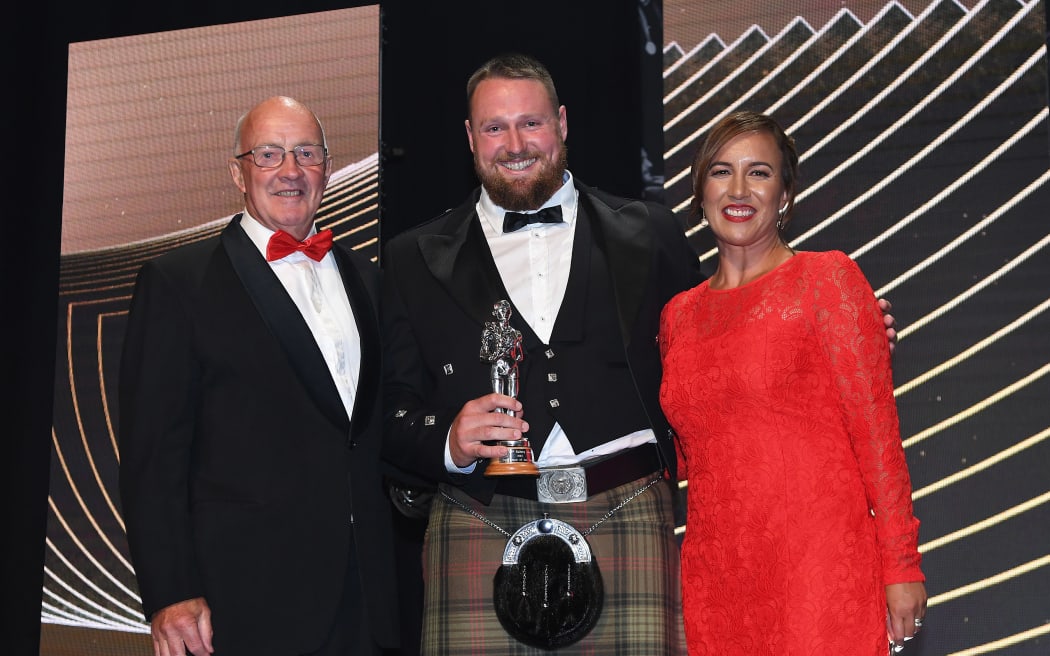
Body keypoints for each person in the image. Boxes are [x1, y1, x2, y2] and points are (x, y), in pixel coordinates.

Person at [380, 55, 897, 654]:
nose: (515, 144)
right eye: (495, 128)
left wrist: (842, 332)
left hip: (624, 517)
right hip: (478, 523)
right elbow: (388, 413)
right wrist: (446, 439)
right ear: (470, 137)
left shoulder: (651, 234)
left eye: (532, 123)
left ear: (563, 124)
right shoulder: (410, 257)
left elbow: (721, 341)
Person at [118, 96, 399, 656]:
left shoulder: (369, 279)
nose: (290, 171)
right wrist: (171, 591)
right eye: (268, 154)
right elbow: (154, 458)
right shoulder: (177, 284)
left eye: (306, 153)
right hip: (244, 604)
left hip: (369, 598)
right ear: (237, 173)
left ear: (325, 167)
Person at [658, 110, 926, 655]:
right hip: (717, 578)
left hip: (818, 568)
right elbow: (687, 453)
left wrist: (901, 564)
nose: (738, 189)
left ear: (785, 195)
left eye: (758, 173)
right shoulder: (677, 316)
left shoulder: (826, 280)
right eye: (720, 171)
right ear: (699, 191)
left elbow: (878, 436)